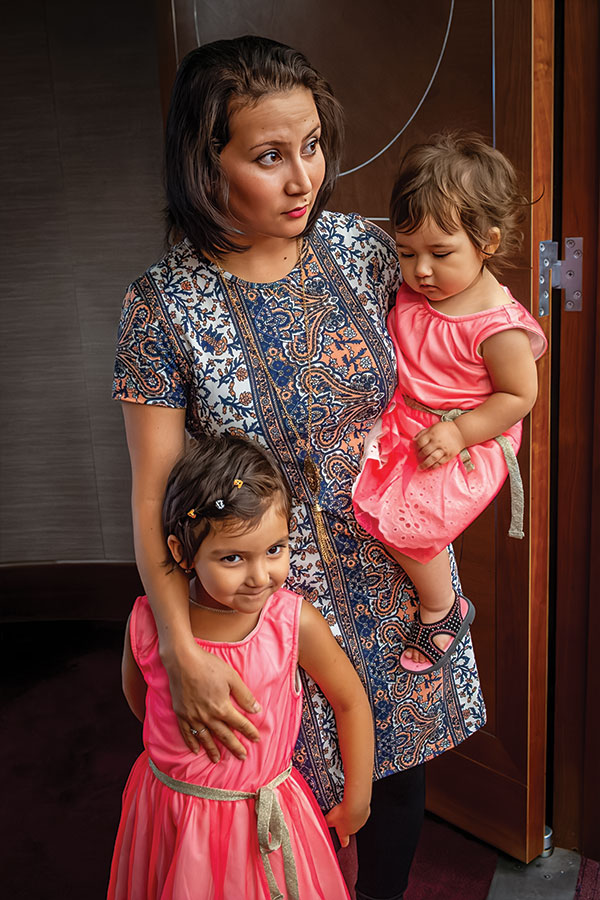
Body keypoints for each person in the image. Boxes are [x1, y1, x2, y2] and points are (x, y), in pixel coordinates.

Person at [113, 36, 486, 900]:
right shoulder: (161, 306)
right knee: (273, 811)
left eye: (311, 146)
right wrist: (179, 644)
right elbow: (155, 497)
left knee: (394, 784)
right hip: (266, 599)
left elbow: (466, 323)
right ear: (205, 163)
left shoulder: (364, 251)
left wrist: (492, 410)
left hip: (396, 573)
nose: (303, 179)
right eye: (269, 156)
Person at [107, 434, 373, 899]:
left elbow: (350, 701)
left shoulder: (292, 622)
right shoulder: (147, 620)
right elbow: (140, 699)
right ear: (181, 551)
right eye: (233, 558)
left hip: (259, 822)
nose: (260, 575)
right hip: (169, 810)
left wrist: (358, 799)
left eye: (275, 549)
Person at [353, 133, 548, 675]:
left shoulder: (496, 326)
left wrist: (461, 432)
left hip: (466, 434)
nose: (420, 270)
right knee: (365, 505)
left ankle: (442, 607)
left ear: (487, 242)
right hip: (409, 419)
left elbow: (519, 395)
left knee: (412, 525)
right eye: (406, 252)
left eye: (440, 254)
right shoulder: (419, 291)